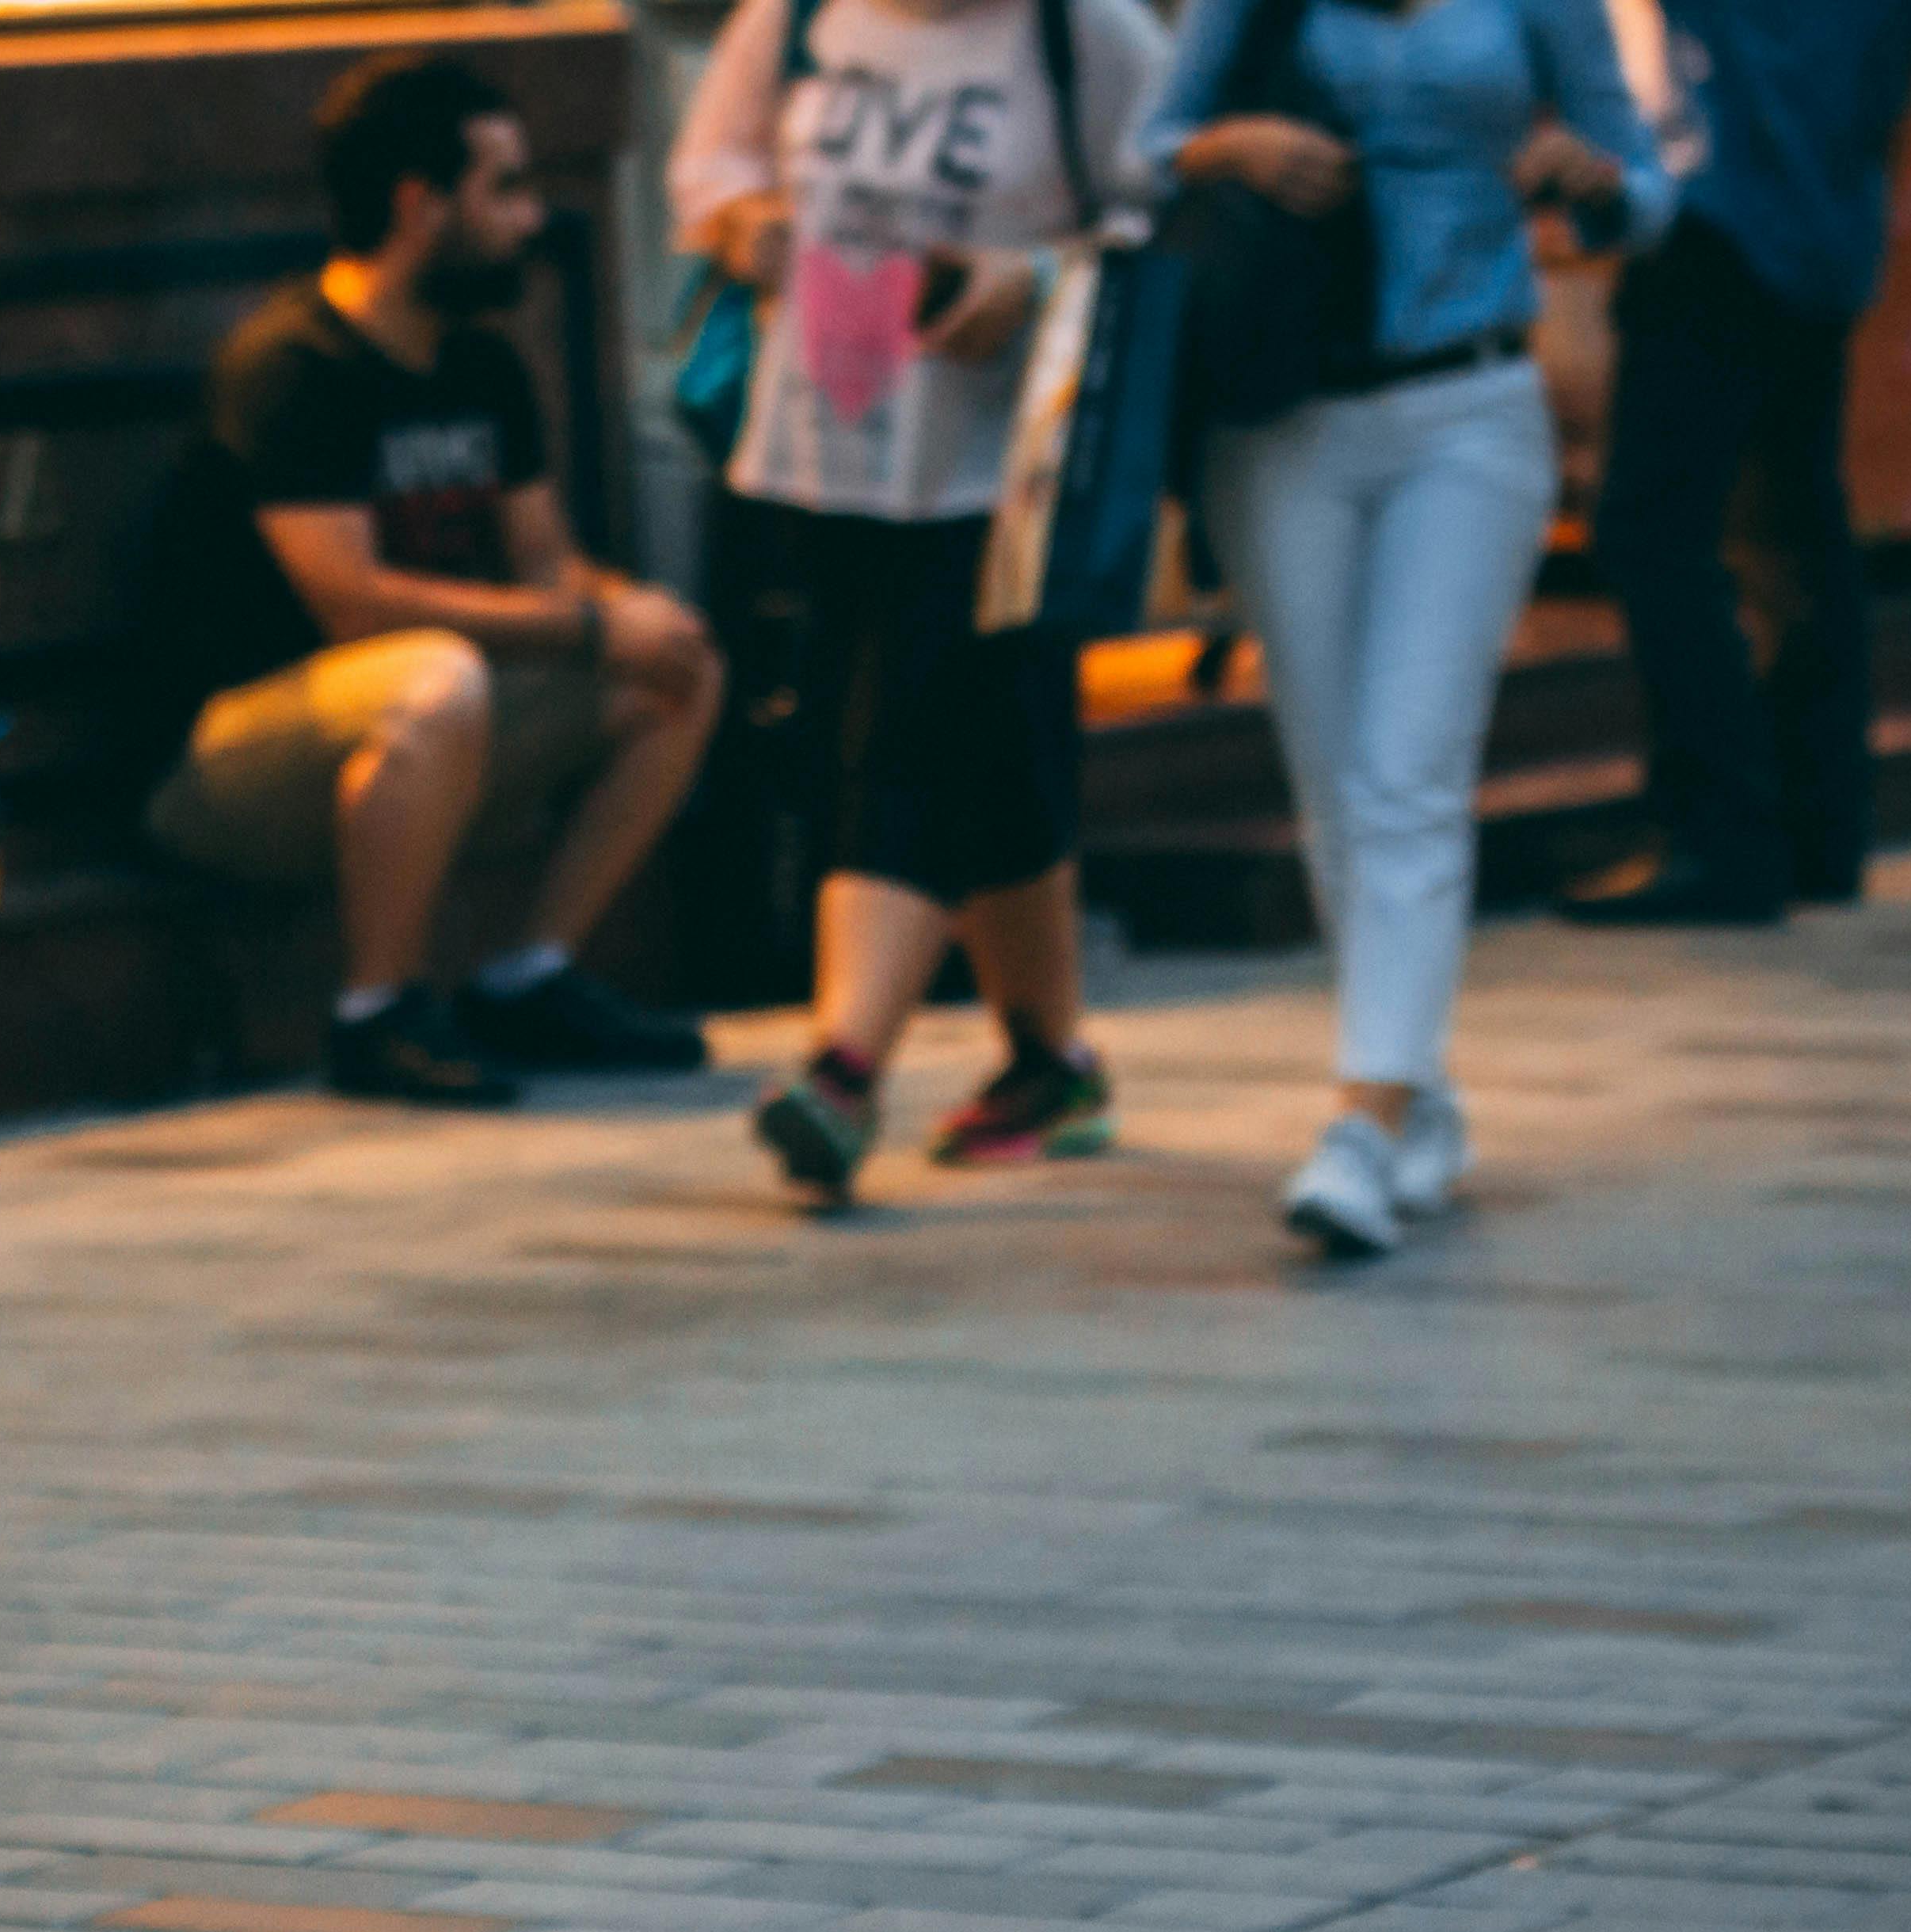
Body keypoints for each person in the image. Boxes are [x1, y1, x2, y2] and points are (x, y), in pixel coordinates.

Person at [1148, 0, 1672, 1260]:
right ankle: (1412, 1098)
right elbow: (1133, 153)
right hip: (1282, 416)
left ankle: (1359, 1126)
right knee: (1334, 780)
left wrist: (1591, 183)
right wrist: (1228, 150)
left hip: (1467, 409)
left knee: (1405, 775)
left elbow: (1648, 192)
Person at [147, 52, 722, 1106]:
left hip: (432, 725)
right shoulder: (292, 367)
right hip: (233, 762)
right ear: (420, 205)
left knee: (675, 667)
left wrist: (626, 612)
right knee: (434, 676)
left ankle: (529, 976)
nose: (531, 219)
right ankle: (375, 1013)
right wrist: (587, 629)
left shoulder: (480, 364)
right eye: (505, 188)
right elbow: (351, 601)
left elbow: (545, 566)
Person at [672, 0, 1173, 1207]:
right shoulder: (798, 16)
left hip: (998, 469)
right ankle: (1050, 1066)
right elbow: (708, 165)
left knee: (899, 745)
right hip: (823, 444)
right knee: (990, 754)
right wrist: (742, 225)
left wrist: (1032, 276)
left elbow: (1166, 209)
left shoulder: (1080, 31)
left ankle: (842, 1070)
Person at [1558, 0, 1911, 928]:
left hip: (1719, 211)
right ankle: (1819, 829)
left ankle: (1719, 835)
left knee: (1653, 528)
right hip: (1825, 214)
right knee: (1797, 518)